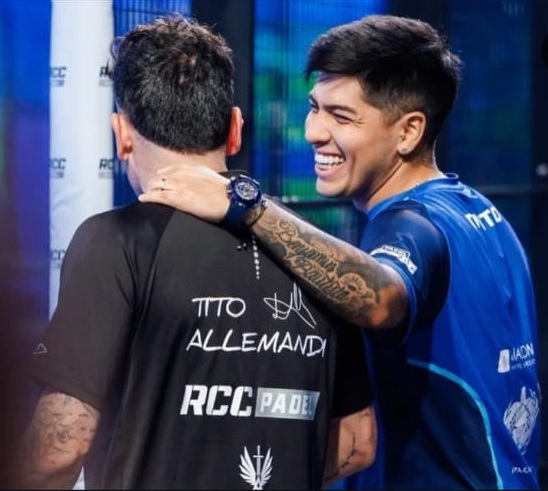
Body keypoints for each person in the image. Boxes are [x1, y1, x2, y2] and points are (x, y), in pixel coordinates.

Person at [138, 14, 541, 490]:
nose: (313, 131)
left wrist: (247, 207)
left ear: (409, 131)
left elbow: (380, 299)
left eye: (342, 117)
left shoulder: (410, 226)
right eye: (315, 108)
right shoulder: (479, 213)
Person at [15, 14, 377, 490]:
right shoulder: (320, 257)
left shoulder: (114, 241)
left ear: (122, 134)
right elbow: (356, 443)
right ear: (235, 129)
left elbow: (58, 450)